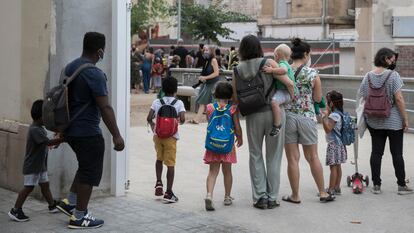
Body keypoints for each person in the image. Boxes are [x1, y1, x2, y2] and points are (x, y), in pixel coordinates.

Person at [56, 32, 125, 229]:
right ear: (100, 51)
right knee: (89, 172)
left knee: (84, 166)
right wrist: (117, 136)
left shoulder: (70, 67)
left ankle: (70, 203)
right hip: (88, 132)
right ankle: (79, 216)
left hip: (71, 130)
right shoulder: (94, 74)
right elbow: (105, 108)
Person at [233, 35, 285, 209]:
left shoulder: (237, 69)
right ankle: (272, 197)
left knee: (255, 154)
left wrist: (237, 126)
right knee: (274, 156)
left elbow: (235, 97)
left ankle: (260, 197)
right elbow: (286, 80)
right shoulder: (268, 63)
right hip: (274, 112)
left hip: (252, 115)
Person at [283, 38, 334, 204]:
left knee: (292, 159)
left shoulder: (284, 71)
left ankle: (295, 195)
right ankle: (322, 192)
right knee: (312, 157)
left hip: (288, 116)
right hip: (307, 118)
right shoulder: (313, 74)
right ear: (305, 54)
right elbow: (318, 98)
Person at [358, 47, 412, 195]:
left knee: (376, 152)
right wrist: (405, 118)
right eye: (391, 59)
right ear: (385, 58)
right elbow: (399, 99)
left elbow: (363, 96)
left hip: (374, 121)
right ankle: (401, 186)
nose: (393, 61)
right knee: (397, 154)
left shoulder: (368, 76)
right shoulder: (393, 75)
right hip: (393, 120)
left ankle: (376, 185)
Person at [8, 100, 64, 222]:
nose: (48, 119)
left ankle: (52, 205)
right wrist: (62, 139)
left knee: (45, 185)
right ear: (40, 117)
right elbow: (47, 142)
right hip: (33, 166)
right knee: (28, 187)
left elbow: (46, 142)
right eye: (46, 116)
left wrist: (57, 136)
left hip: (40, 166)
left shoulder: (39, 128)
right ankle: (16, 210)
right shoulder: (35, 129)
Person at [203, 82, 243, 211]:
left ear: (215, 94)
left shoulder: (209, 107)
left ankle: (209, 195)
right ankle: (227, 197)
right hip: (228, 145)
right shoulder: (232, 109)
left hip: (213, 144)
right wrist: (240, 137)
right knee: (227, 172)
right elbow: (237, 126)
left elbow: (211, 122)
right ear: (230, 95)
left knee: (212, 172)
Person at [147, 77, 186, 203]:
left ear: (163, 88)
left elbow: (149, 117)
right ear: (175, 90)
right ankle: (169, 192)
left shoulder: (157, 102)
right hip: (171, 137)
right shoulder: (178, 103)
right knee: (170, 164)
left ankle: (159, 182)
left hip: (158, 136)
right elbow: (183, 118)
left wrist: (153, 125)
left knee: (159, 159)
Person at [262, 44, 296, 137]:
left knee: (274, 102)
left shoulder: (282, 64)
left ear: (276, 55)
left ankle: (277, 125)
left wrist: (272, 70)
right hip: (286, 91)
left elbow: (283, 71)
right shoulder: (286, 63)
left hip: (286, 92)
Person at [322, 90, 347, 196]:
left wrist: (324, 117)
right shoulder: (340, 113)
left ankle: (331, 189)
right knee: (338, 166)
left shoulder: (334, 115)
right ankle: (337, 187)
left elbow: (328, 129)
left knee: (333, 167)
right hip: (339, 144)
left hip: (333, 144)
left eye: (328, 102)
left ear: (331, 103)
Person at [189, 45, 220, 124]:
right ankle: (197, 119)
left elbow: (216, 73)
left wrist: (205, 77)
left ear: (211, 51)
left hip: (213, 84)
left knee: (212, 104)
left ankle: (213, 120)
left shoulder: (213, 60)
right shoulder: (207, 60)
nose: (205, 52)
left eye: (207, 50)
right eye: (204, 50)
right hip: (207, 84)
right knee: (203, 102)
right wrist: (202, 78)